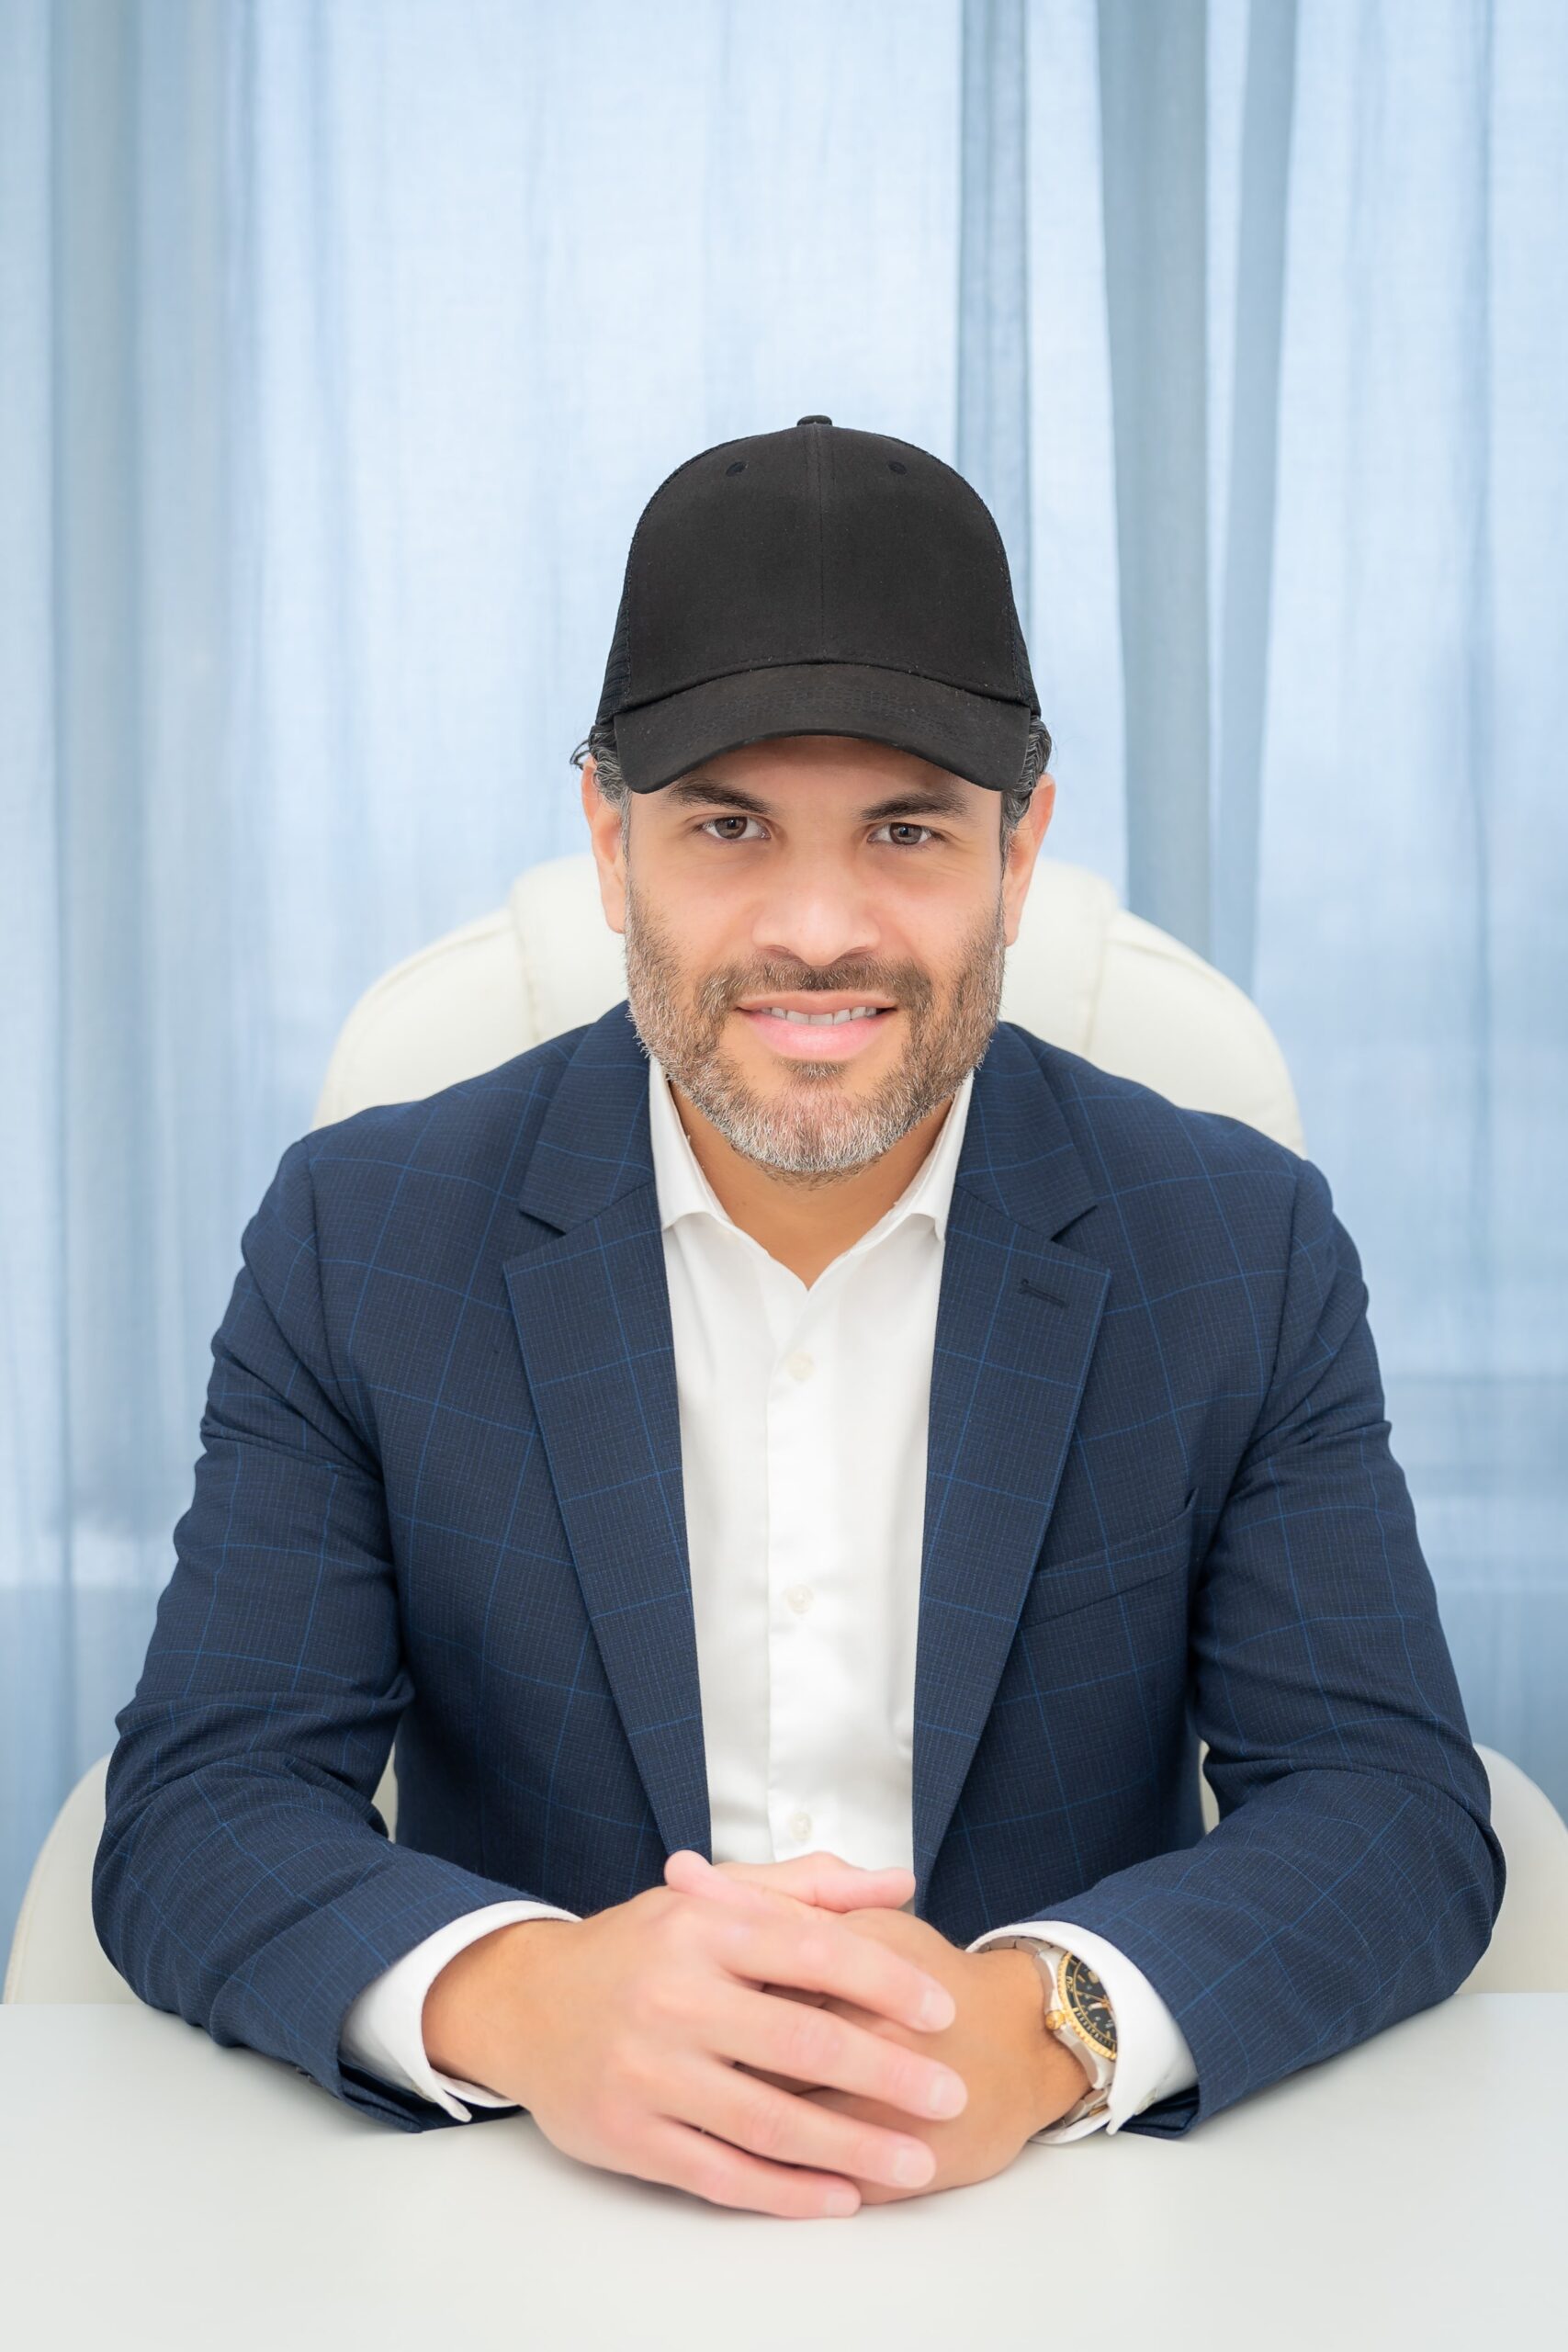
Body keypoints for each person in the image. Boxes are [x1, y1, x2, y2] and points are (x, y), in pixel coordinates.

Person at [94, 417, 1503, 2222]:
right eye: (728, 825)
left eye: (905, 827)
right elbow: (201, 1799)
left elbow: (1381, 1804)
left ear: (1019, 851)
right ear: (610, 845)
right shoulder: (362, 1232)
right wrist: (528, 1997)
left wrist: (1040, 2016)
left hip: (1064, 2220)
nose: (818, 928)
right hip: (521, 2217)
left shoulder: (1234, 1241)